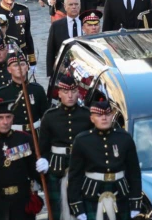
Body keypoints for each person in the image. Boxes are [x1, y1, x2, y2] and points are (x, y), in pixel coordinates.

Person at [66, 99, 142, 220]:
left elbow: (134, 172)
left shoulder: (124, 138)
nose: (104, 118)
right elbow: (75, 176)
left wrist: (135, 202)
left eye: (107, 114)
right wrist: (77, 206)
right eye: (99, 115)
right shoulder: (82, 140)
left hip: (120, 193)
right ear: (92, 119)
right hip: (92, 193)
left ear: (112, 116)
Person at [38, 73, 93, 220]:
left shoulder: (87, 115)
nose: (70, 96)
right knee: (56, 208)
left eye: (73, 92)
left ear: (78, 93)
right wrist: (43, 160)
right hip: (57, 166)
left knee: (83, 204)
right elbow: (43, 146)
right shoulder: (50, 116)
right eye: (66, 92)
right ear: (59, 93)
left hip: (81, 165)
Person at [0, 52, 48, 132]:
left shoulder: (37, 89)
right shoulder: (2, 93)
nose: (19, 68)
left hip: (35, 133)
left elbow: (45, 117)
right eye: (15, 65)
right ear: (9, 70)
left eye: (22, 64)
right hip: (13, 135)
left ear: (27, 67)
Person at [46, 0, 83, 77]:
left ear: (80, 6)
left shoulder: (85, 23)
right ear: (65, 7)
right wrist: (50, 73)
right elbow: (50, 50)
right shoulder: (56, 26)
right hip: (63, 71)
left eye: (76, 4)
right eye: (71, 4)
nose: (74, 7)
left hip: (83, 69)